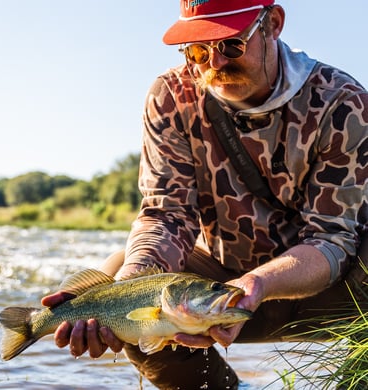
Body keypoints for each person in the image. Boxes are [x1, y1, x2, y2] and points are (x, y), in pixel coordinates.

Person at [42, 0, 368, 388]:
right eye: (197, 50)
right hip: (209, 293)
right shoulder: (170, 96)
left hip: (327, 289)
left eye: (230, 44)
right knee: (122, 271)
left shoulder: (341, 102)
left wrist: (260, 283)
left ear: (273, 24)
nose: (213, 64)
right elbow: (166, 215)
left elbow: (332, 239)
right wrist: (127, 287)